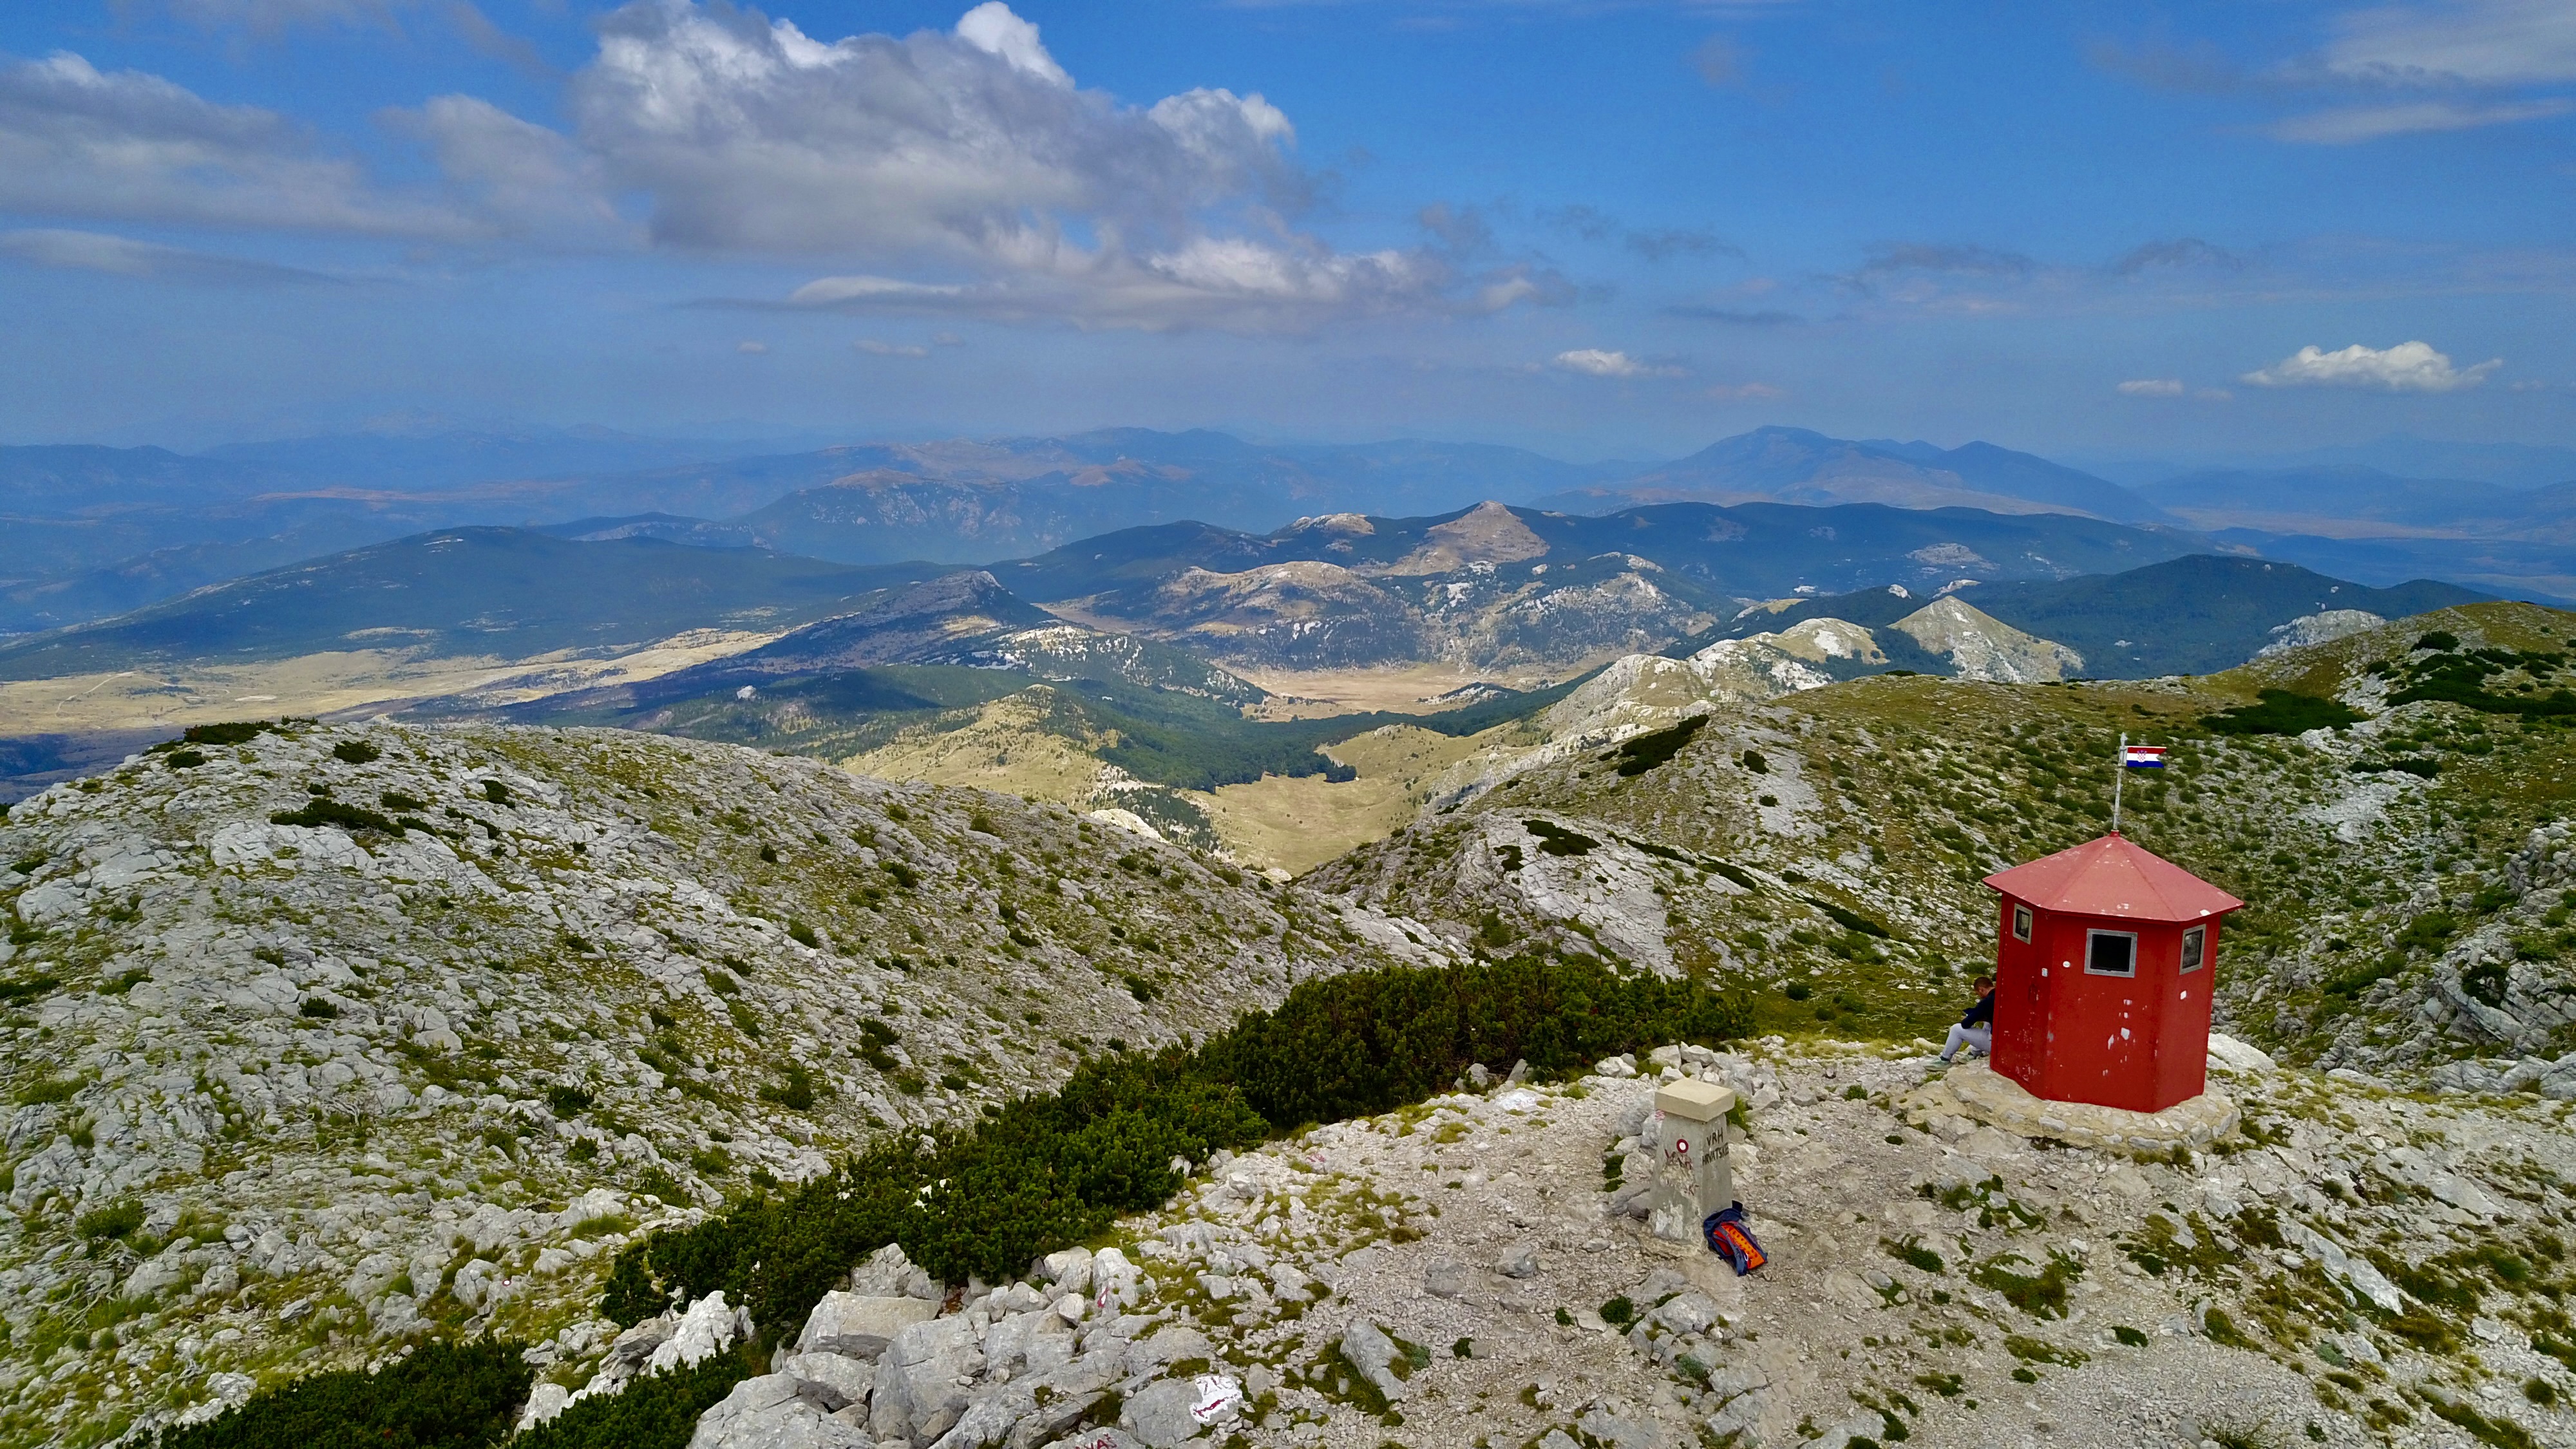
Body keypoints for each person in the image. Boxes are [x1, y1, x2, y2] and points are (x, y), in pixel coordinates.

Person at [1938, 974, 1996, 1063]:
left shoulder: (1987, 1002)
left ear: (1981, 989)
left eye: (1978, 993)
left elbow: (1965, 1024)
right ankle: (1975, 1052)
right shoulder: (2001, 996)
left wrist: (1973, 1017)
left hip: (1996, 1045)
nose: (1980, 996)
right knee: (1988, 1023)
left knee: (1956, 1029)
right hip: (2010, 1041)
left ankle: (1944, 1060)